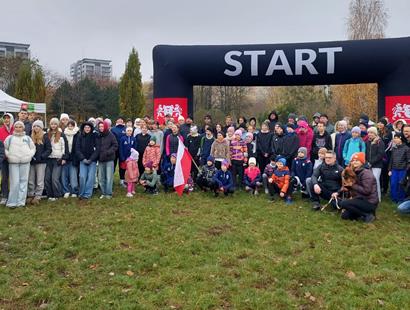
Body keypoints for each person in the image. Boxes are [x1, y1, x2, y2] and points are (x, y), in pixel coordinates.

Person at [337, 152, 378, 223]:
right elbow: (351, 187)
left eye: (357, 160)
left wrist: (352, 185)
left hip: (369, 202)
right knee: (345, 216)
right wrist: (338, 192)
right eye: (353, 160)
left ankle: (366, 215)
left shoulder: (367, 173)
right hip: (359, 199)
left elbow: (366, 191)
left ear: (362, 162)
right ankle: (363, 213)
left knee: (344, 203)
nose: (354, 162)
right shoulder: (354, 172)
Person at [4, 121, 36, 208]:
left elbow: (33, 148)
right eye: (16, 127)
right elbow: (5, 148)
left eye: (20, 127)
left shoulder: (27, 138)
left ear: (23, 128)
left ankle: (21, 202)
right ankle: (12, 202)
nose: (18, 128)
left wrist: (29, 155)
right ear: (14, 128)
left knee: (24, 182)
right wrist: (9, 156)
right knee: (15, 182)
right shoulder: (10, 138)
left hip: (25, 162)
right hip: (13, 162)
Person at [28, 120, 51, 204]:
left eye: (38, 126)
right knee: (31, 179)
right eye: (34, 126)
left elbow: (49, 149)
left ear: (41, 127)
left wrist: (42, 157)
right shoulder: (30, 137)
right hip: (31, 161)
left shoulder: (45, 136)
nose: (36, 128)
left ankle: (38, 196)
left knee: (39, 180)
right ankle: (31, 195)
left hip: (41, 162)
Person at [76, 122, 99, 200]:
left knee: (90, 178)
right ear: (83, 128)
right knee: (82, 176)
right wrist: (83, 159)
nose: (87, 129)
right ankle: (81, 193)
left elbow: (97, 149)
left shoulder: (94, 136)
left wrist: (91, 159)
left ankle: (87, 194)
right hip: (83, 160)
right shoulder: (80, 136)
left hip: (92, 160)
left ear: (91, 128)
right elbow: (77, 149)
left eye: (89, 127)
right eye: (86, 127)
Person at [45, 118, 67, 201]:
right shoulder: (47, 134)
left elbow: (65, 147)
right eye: (52, 124)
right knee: (47, 178)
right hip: (49, 159)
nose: (53, 125)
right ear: (50, 125)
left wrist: (64, 158)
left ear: (57, 125)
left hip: (58, 159)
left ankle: (57, 195)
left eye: (55, 124)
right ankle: (50, 195)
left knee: (55, 178)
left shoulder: (61, 134)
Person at [97, 120, 118, 199]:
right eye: (99, 127)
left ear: (105, 126)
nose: (101, 128)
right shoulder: (98, 135)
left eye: (102, 126)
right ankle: (103, 192)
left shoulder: (111, 135)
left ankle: (108, 193)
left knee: (109, 177)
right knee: (101, 177)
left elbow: (115, 145)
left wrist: (108, 152)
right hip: (101, 159)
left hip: (109, 159)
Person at [365, 126, 385, 202]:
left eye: (371, 132)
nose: (369, 134)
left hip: (377, 165)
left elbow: (380, 154)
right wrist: (367, 162)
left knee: (375, 180)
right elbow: (366, 153)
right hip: (368, 165)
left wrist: (371, 162)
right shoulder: (367, 142)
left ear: (375, 133)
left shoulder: (380, 141)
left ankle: (378, 198)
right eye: (368, 133)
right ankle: (370, 197)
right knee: (369, 181)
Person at [388, 133, 410, 203]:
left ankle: (401, 199)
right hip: (394, 170)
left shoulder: (407, 148)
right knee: (393, 184)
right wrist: (389, 169)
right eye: (394, 138)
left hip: (403, 170)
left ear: (401, 139)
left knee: (401, 185)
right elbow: (391, 160)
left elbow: (408, 161)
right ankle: (394, 199)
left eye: (397, 138)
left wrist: (407, 171)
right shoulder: (394, 149)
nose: (395, 139)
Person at [62, 120, 79, 198]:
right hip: (65, 157)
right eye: (69, 125)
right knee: (64, 175)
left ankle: (74, 191)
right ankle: (66, 190)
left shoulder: (77, 134)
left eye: (72, 126)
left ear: (74, 126)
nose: (70, 127)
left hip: (73, 158)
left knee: (73, 175)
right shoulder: (64, 134)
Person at [0, 113, 14, 204]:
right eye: (4, 118)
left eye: (8, 118)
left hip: (14, 158)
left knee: (14, 178)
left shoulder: (16, 128)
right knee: (4, 177)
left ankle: (13, 195)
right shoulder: (1, 130)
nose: (6, 120)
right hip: (4, 158)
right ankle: (5, 196)